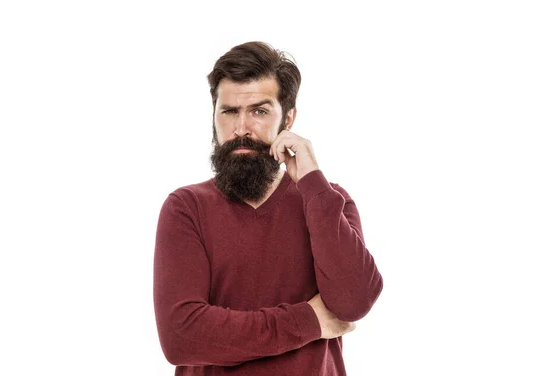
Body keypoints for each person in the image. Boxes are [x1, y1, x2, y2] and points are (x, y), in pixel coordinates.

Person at [153, 41, 383, 376]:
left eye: (259, 111)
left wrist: (313, 181)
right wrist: (311, 320)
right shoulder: (186, 208)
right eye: (229, 111)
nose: (241, 128)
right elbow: (182, 336)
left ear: (287, 118)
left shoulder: (328, 202)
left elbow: (353, 302)